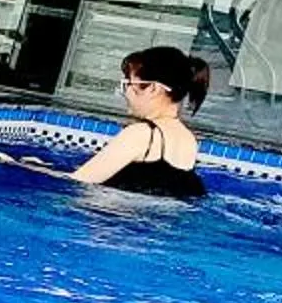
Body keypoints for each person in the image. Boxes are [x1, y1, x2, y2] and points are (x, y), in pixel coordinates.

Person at [66, 46, 211, 199]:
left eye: (129, 84)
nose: (125, 92)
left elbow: (78, 181)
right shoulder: (189, 140)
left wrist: (39, 170)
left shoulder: (142, 134)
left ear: (153, 88)